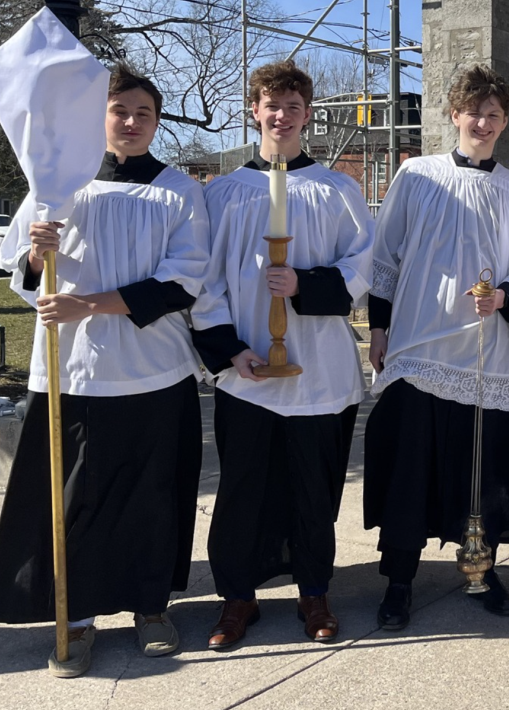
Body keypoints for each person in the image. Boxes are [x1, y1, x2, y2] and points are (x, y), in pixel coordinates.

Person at [0, 64, 210, 678]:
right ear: (99, 118)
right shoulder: (56, 185)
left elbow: (183, 281)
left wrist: (89, 304)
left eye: (144, 113)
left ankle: (151, 607)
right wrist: (37, 255)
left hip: (153, 370)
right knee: (72, 500)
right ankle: (76, 617)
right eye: (120, 111)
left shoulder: (179, 190)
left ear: (157, 122)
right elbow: (21, 273)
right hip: (72, 371)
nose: (131, 122)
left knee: (151, 497)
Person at [190, 59, 374, 650]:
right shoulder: (221, 194)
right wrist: (230, 351)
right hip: (248, 372)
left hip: (318, 370)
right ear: (255, 111)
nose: (283, 116)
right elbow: (204, 281)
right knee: (242, 489)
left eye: (294, 106)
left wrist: (305, 285)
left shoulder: (338, 190)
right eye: (272, 105)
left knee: (314, 490)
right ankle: (237, 597)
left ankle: (314, 592)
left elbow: (362, 266)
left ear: (308, 114)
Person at [364, 65, 509, 630]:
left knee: (484, 472)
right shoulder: (417, 175)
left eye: (494, 115)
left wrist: (506, 295)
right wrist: (378, 327)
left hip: (487, 350)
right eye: (474, 113)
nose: (482, 123)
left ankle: (481, 570)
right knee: (411, 467)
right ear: (453, 114)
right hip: (420, 343)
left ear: (505, 121)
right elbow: (385, 256)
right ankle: (398, 580)